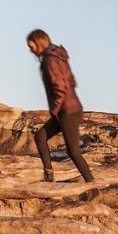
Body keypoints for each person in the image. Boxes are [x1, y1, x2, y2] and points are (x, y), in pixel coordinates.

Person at [26, 29, 95, 183]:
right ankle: (49, 177)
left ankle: (93, 186)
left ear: (39, 42)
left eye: (32, 47)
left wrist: (55, 109)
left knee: (73, 151)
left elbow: (60, 88)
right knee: (40, 136)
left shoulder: (50, 60)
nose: (31, 51)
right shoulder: (58, 56)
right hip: (70, 108)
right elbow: (72, 81)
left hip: (67, 111)